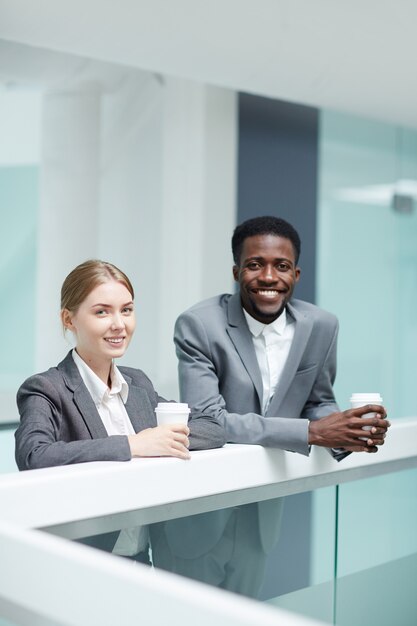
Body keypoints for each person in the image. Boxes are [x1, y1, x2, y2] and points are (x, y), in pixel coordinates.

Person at [150, 215, 390, 595]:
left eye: (280, 266)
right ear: (236, 271)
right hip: (195, 517)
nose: (267, 277)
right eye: (254, 264)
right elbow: (209, 421)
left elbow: (318, 400)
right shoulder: (199, 325)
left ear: (296, 273)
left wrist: (348, 430)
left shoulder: (322, 326)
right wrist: (312, 432)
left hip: (261, 515)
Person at [15, 260, 225, 561]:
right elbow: (34, 456)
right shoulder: (47, 388)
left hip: (142, 557)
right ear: (69, 319)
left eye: (126, 310)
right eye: (102, 311)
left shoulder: (137, 383)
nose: (119, 324)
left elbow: (213, 427)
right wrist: (133, 445)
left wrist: (162, 442)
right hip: (81, 562)